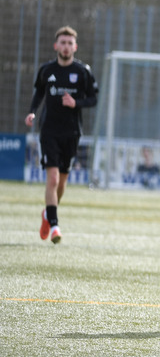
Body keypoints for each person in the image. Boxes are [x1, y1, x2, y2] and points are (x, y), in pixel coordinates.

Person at [25, 26, 100, 244]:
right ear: (56, 46)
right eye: (63, 42)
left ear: (75, 47)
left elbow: (94, 99)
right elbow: (39, 92)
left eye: (69, 43)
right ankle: (55, 226)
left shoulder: (83, 71)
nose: (66, 46)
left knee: (62, 183)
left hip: (72, 132)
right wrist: (32, 111)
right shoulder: (46, 70)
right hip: (49, 130)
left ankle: (47, 214)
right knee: (53, 178)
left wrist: (76, 103)